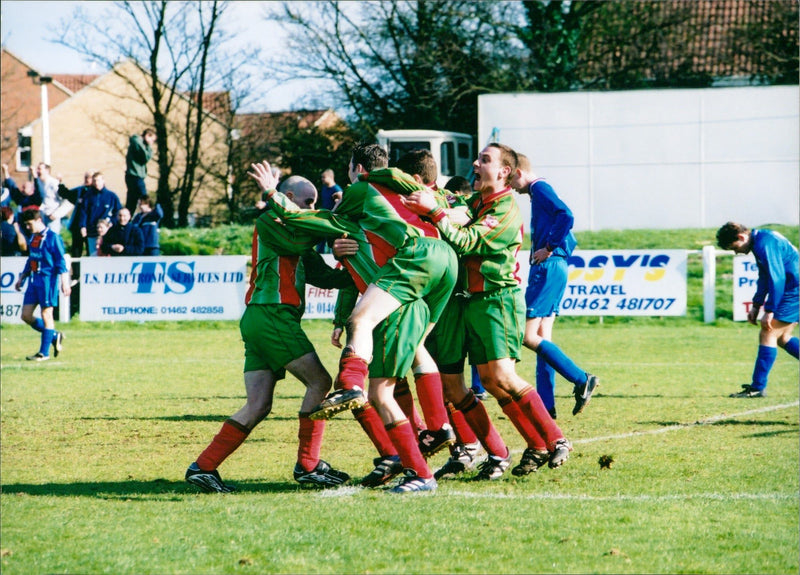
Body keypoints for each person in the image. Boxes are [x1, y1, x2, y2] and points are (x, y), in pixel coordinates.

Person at [250, 144, 459, 493]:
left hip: (415, 268)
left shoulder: (360, 190)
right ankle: (429, 445)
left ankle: (350, 385)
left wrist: (273, 194)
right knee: (396, 376)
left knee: (360, 324)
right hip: (439, 268)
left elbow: (315, 222)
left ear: (356, 169)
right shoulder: (405, 191)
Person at [403, 143, 575, 479]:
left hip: (497, 300)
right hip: (465, 300)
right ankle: (504, 450)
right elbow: (454, 210)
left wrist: (437, 213)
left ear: (504, 172)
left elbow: (466, 241)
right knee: (457, 386)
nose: (476, 163)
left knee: (500, 377)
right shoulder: (478, 201)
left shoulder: (506, 209)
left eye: (485, 160)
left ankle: (555, 439)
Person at [186, 175, 353, 492]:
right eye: (308, 203)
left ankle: (203, 467)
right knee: (320, 382)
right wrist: (339, 228)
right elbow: (299, 241)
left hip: (263, 317)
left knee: (259, 404)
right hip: (272, 314)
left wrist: (349, 262)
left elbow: (325, 277)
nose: (311, 209)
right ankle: (308, 465)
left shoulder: (297, 231)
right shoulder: (271, 219)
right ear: (287, 197)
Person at [512, 153, 599, 419]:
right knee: (541, 336)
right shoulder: (538, 191)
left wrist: (548, 247)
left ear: (518, 172)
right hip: (556, 267)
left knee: (527, 336)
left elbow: (566, 215)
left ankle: (581, 378)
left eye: (511, 181)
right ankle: (546, 407)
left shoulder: (539, 188)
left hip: (549, 267)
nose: (512, 189)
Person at [716, 222, 799, 397]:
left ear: (741, 237)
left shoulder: (764, 243)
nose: (736, 252)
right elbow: (765, 276)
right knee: (782, 337)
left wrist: (769, 310)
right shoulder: (760, 241)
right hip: (792, 287)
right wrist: (756, 304)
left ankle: (757, 388)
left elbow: (777, 278)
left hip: (794, 289)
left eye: (735, 247)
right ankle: (757, 387)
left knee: (768, 332)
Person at [14, 209, 70, 361]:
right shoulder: (33, 238)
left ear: (39, 221)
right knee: (26, 316)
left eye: (29, 224)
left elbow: (60, 261)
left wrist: (65, 281)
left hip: (47, 281)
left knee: (47, 314)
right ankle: (54, 336)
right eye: (25, 224)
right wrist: (22, 277)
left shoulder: (53, 238)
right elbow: (31, 258)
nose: (27, 227)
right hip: (34, 281)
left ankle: (43, 353)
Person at [78, 172, 122, 256]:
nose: (96, 183)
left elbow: (118, 212)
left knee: (107, 254)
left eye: (98, 180)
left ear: (103, 181)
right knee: (93, 254)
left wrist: (111, 222)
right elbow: (83, 212)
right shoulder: (88, 196)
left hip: (107, 232)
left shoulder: (111, 196)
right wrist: (82, 226)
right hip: (92, 231)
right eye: (94, 181)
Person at [60, 170, 95, 258]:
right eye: (86, 177)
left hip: (91, 226)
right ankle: (76, 271)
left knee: (91, 251)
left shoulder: (98, 193)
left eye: (90, 177)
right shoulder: (80, 191)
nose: (87, 180)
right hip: (78, 226)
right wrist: (60, 183)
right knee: (76, 250)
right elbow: (66, 194)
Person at [125, 128, 157, 213]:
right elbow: (145, 157)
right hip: (135, 176)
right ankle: (149, 216)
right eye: (152, 140)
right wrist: (149, 146)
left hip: (135, 175)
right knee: (144, 199)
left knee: (132, 201)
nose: (151, 142)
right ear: (147, 136)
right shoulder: (137, 142)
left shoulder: (139, 143)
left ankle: (128, 219)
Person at [34, 163, 72, 234]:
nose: (37, 171)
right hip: (43, 215)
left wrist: (57, 214)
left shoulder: (54, 183)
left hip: (53, 217)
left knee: (53, 239)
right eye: (37, 169)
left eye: (40, 169)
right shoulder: (39, 182)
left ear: (47, 171)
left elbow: (68, 201)